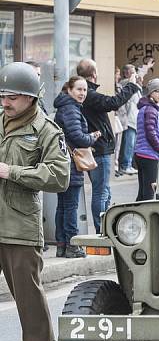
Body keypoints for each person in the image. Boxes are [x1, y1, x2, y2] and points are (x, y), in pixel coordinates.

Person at [0, 62, 70, 341]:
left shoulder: (46, 130)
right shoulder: (0, 121)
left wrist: (12, 172)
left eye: (11, 97)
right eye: (2, 96)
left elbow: (59, 176)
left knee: (27, 296)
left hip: (19, 225)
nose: (5, 102)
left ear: (30, 98)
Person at [76, 58, 141, 232]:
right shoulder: (89, 94)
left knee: (104, 191)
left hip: (97, 147)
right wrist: (131, 86)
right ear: (94, 74)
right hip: (99, 148)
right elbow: (113, 103)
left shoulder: (84, 94)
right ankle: (101, 230)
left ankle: (106, 227)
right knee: (101, 192)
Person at [53, 76, 101, 258]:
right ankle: (72, 246)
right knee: (70, 206)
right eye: (79, 89)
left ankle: (62, 245)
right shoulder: (71, 109)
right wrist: (92, 137)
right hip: (71, 164)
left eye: (85, 90)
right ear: (69, 90)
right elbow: (79, 137)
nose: (82, 93)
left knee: (63, 206)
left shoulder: (66, 107)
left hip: (63, 162)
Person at [134, 78, 159, 201]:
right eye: (157, 91)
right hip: (149, 155)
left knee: (142, 192)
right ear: (150, 92)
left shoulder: (145, 108)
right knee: (149, 192)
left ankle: (136, 217)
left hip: (141, 154)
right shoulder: (151, 110)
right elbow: (151, 132)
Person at [117, 63, 141, 176]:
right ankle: (126, 165)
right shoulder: (125, 84)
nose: (135, 75)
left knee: (131, 144)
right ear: (126, 73)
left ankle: (129, 165)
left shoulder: (134, 85)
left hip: (134, 119)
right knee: (128, 144)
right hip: (129, 119)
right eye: (132, 73)